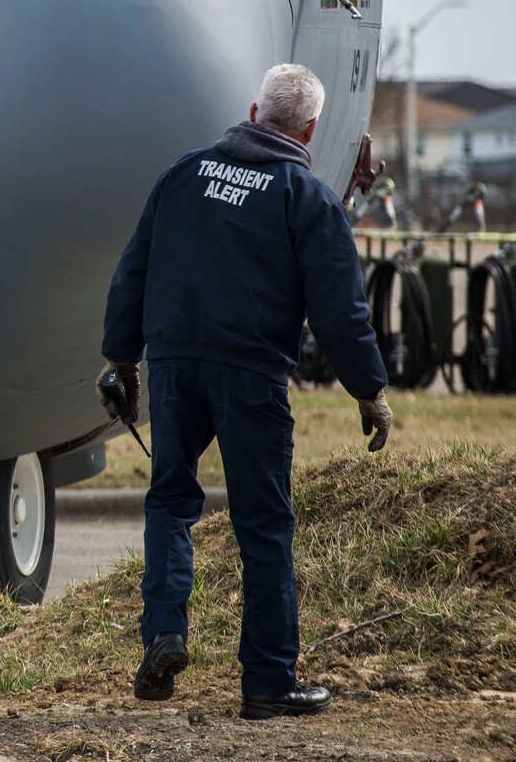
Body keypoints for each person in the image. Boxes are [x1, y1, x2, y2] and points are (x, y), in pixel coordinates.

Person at [99, 63, 392, 720]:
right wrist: (369, 388)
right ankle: (267, 682)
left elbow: (133, 269)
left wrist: (120, 360)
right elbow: (340, 309)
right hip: (252, 373)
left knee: (171, 500)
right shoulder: (306, 196)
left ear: (252, 110)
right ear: (312, 127)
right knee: (262, 523)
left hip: (173, 362)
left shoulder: (183, 174)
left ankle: (166, 633)